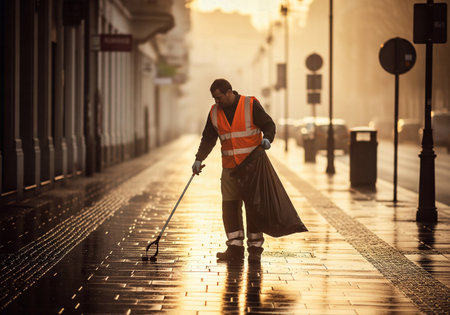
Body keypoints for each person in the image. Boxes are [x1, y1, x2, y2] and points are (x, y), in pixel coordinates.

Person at [192, 79, 276, 263]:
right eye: (214, 98)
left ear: (229, 92)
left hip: (252, 167)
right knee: (229, 206)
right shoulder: (214, 112)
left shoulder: (250, 104)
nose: (217, 102)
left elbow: (269, 125)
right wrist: (199, 158)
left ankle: (255, 247)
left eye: (219, 97)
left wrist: (268, 138)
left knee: (253, 207)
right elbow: (208, 138)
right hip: (229, 167)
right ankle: (235, 247)